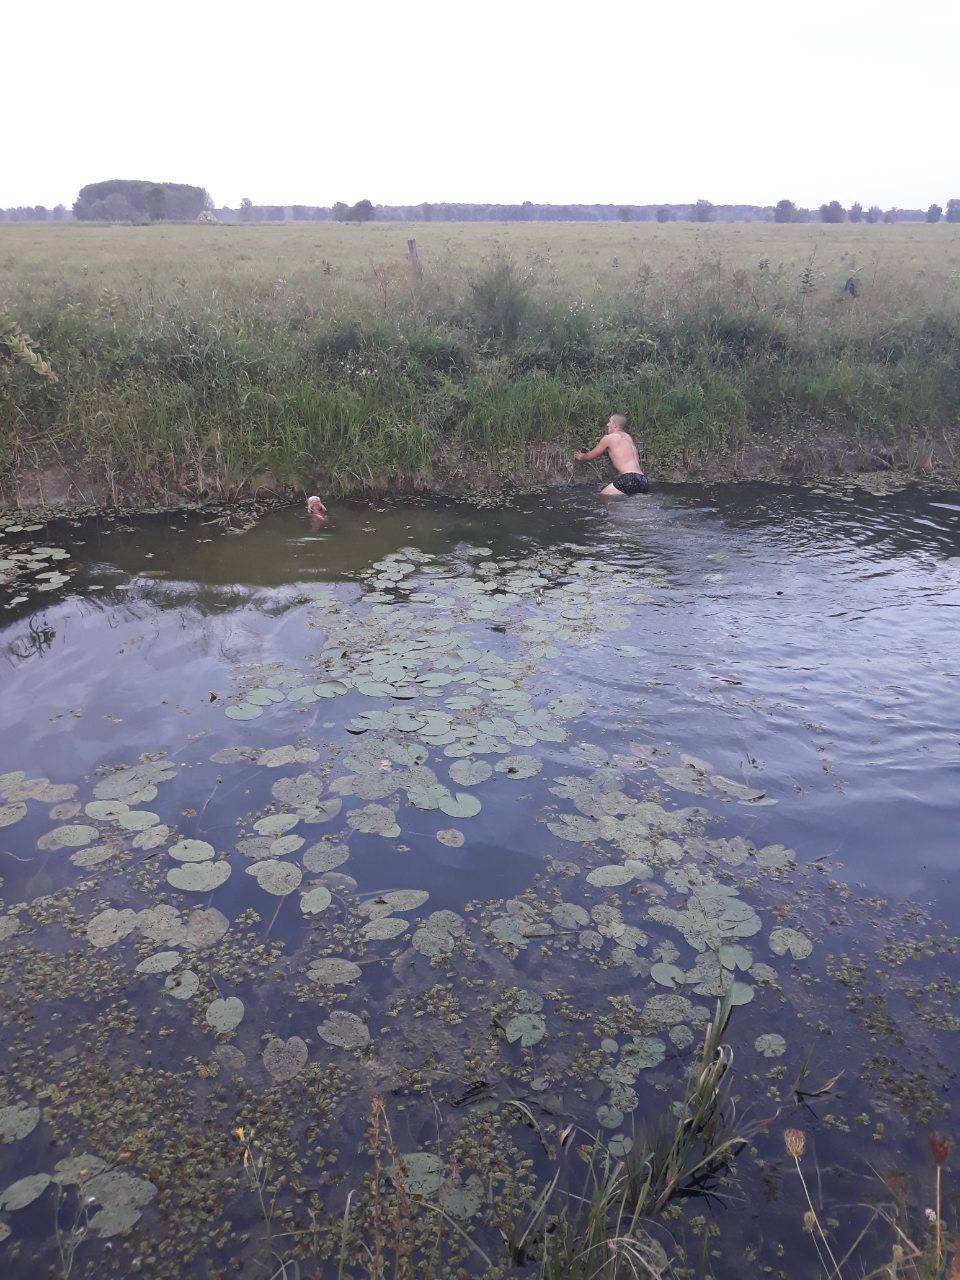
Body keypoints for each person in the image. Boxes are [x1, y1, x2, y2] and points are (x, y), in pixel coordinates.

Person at [574, 413, 649, 496]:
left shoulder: (609, 438)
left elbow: (591, 455)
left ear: (615, 425)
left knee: (604, 495)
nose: (607, 424)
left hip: (629, 478)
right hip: (643, 480)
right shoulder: (628, 437)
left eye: (610, 422)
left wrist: (581, 457)